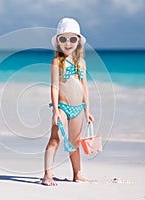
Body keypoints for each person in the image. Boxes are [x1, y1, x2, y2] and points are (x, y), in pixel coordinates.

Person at [41, 18, 94, 186]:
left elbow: (84, 87)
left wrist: (87, 110)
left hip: (78, 108)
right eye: (63, 39)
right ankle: (47, 175)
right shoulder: (57, 62)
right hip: (62, 107)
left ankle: (77, 174)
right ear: (58, 42)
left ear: (78, 41)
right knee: (55, 139)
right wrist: (56, 110)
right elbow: (54, 88)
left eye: (73, 39)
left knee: (75, 143)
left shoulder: (81, 63)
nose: (68, 43)